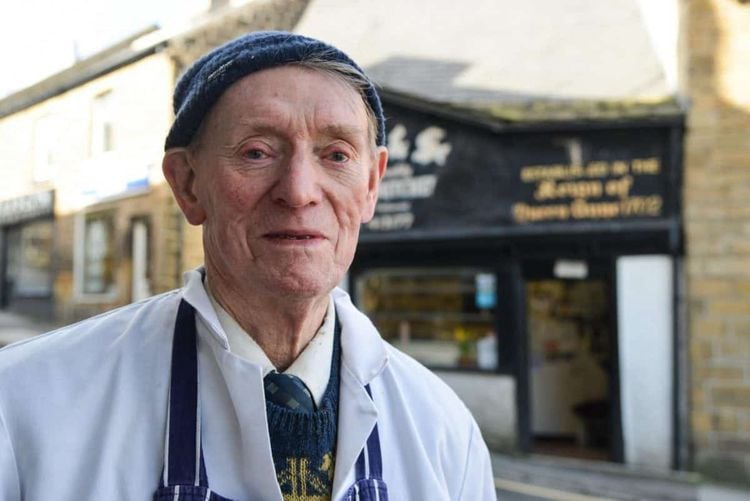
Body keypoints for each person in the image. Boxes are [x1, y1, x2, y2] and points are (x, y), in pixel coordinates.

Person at [0, 31, 496, 500]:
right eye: (257, 152)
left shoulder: (443, 428)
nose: (300, 191)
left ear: (371, 185)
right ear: (188, 185)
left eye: (336, 154)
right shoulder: (23, 404)